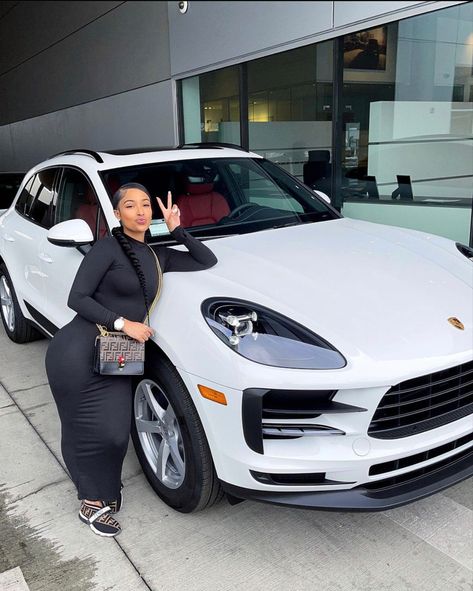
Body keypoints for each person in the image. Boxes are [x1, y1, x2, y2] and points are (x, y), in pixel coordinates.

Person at [45, 182, 218, 537]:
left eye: (145, 205)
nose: (140, 212)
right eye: (130, 205)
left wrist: (177, 229)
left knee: (113, 432)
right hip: (78, 350)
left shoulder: (159, 254)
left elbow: (206, 259)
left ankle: (101, 490)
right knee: (83, 430)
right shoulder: (105, 249)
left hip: (116, 354)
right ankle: (93, 500)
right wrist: (124, 323)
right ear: (117, 213)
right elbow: (76, 298)